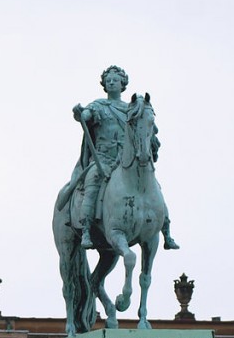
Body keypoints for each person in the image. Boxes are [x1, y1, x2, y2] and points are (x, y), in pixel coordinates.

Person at [71, 65, 179, 250]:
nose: (112, 82)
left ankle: (166, 231)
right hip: (103, 159)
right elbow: (87, 115)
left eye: (116, 80)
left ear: (123, 85)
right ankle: (87, 229)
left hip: (126, 159)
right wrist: (81, 113)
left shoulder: (130, 109)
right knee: (92, 182)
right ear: (104, 85)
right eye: (108, 81)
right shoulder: (98, 105)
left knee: (153, 186)